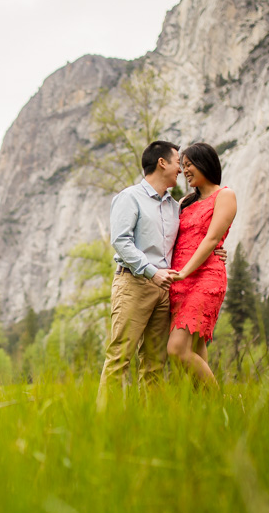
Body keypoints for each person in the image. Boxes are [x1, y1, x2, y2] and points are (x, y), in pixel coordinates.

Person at [97, 140, 225, 412]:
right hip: (134, 283)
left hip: (166, 289)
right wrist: (151, 272)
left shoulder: (174, 206)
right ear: (162, 162)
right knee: (121, 355)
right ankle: (105, 419)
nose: (182, 168)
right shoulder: (129, 197)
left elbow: (194, 237)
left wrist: (218, 254)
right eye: (179, 161)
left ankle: (150, 422)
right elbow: (120, 241)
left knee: (154, 363)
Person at [167, 142, 237, 389]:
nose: (184, 171)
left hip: (205, 277)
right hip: (179, 280)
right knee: (195, 347)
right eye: (183, 166)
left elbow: (211, 239)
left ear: (205, 163)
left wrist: (186, 271)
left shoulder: (225, 195)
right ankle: (205, 409)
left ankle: (218, 403)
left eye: (189, 165)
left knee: (176, 349)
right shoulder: (186, 201)